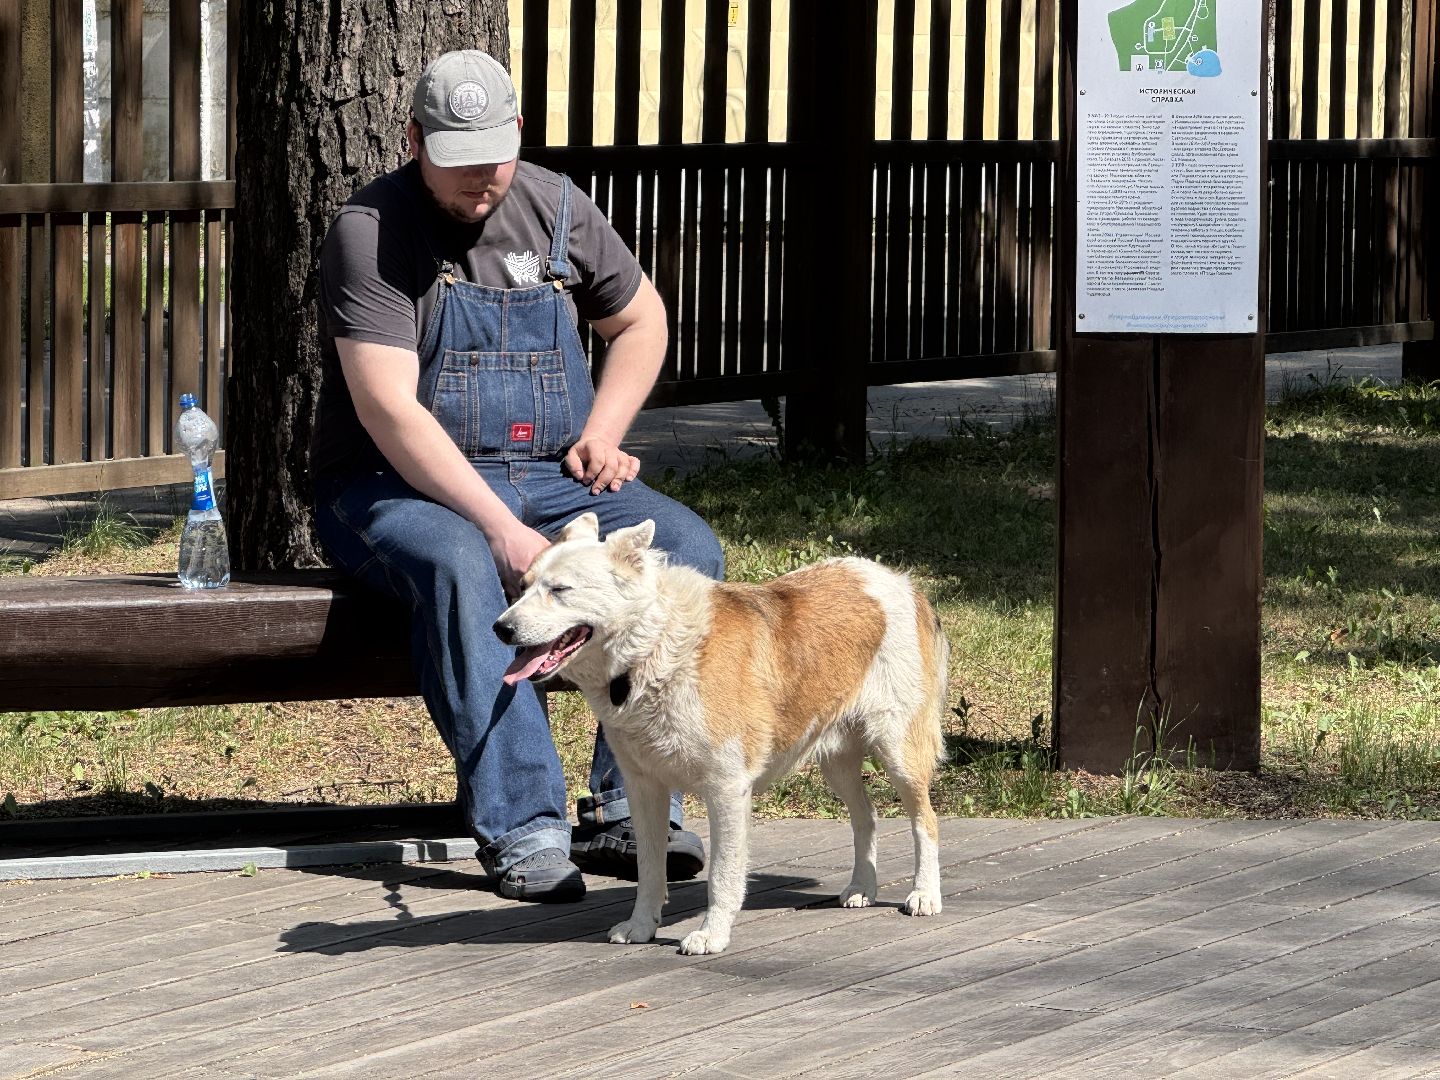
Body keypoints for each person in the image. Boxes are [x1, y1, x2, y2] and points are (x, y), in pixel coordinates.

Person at [310, 49, 723, 902]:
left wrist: (605, 432)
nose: (478, 180)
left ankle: (628, 806)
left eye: (493, 157)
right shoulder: (370, 232)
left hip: (552, 475)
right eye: (456, 160)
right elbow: (389, 409)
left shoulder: (557, 205)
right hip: (392, 486)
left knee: (686, 547)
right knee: (461, 564)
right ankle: (524, 824)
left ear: (519, 136)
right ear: (414, 139)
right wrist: (498, 526)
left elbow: (642, 321)